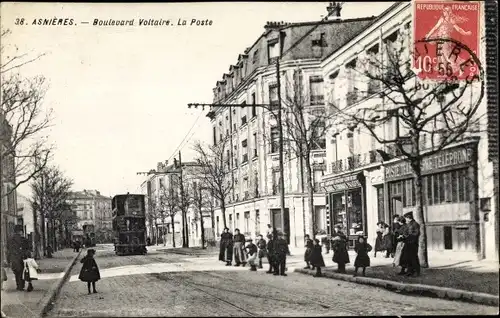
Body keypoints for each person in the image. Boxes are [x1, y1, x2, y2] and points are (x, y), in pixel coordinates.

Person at [7, 225, 30, 290]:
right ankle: (21, 285)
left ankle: (18, 285)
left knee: (16, 272)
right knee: (21, 271)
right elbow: (27, 248)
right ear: (20, 231)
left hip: (13, 258)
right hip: (21, 258)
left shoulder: (10, 239)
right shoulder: (23, 239)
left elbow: (8, 249)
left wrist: (9, 259)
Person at [402, 211, 421, 277]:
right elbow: (405, 232)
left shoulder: (415, 224)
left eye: (406, 218)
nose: (406, 219)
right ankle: (410, 271)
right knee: (408, 258)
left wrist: (408, 236)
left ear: (409, 218)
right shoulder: (408, 224)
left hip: (413, 243)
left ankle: (416, 271)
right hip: (408, 243)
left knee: (414, 258)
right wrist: (404, 236)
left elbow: (417, 233)